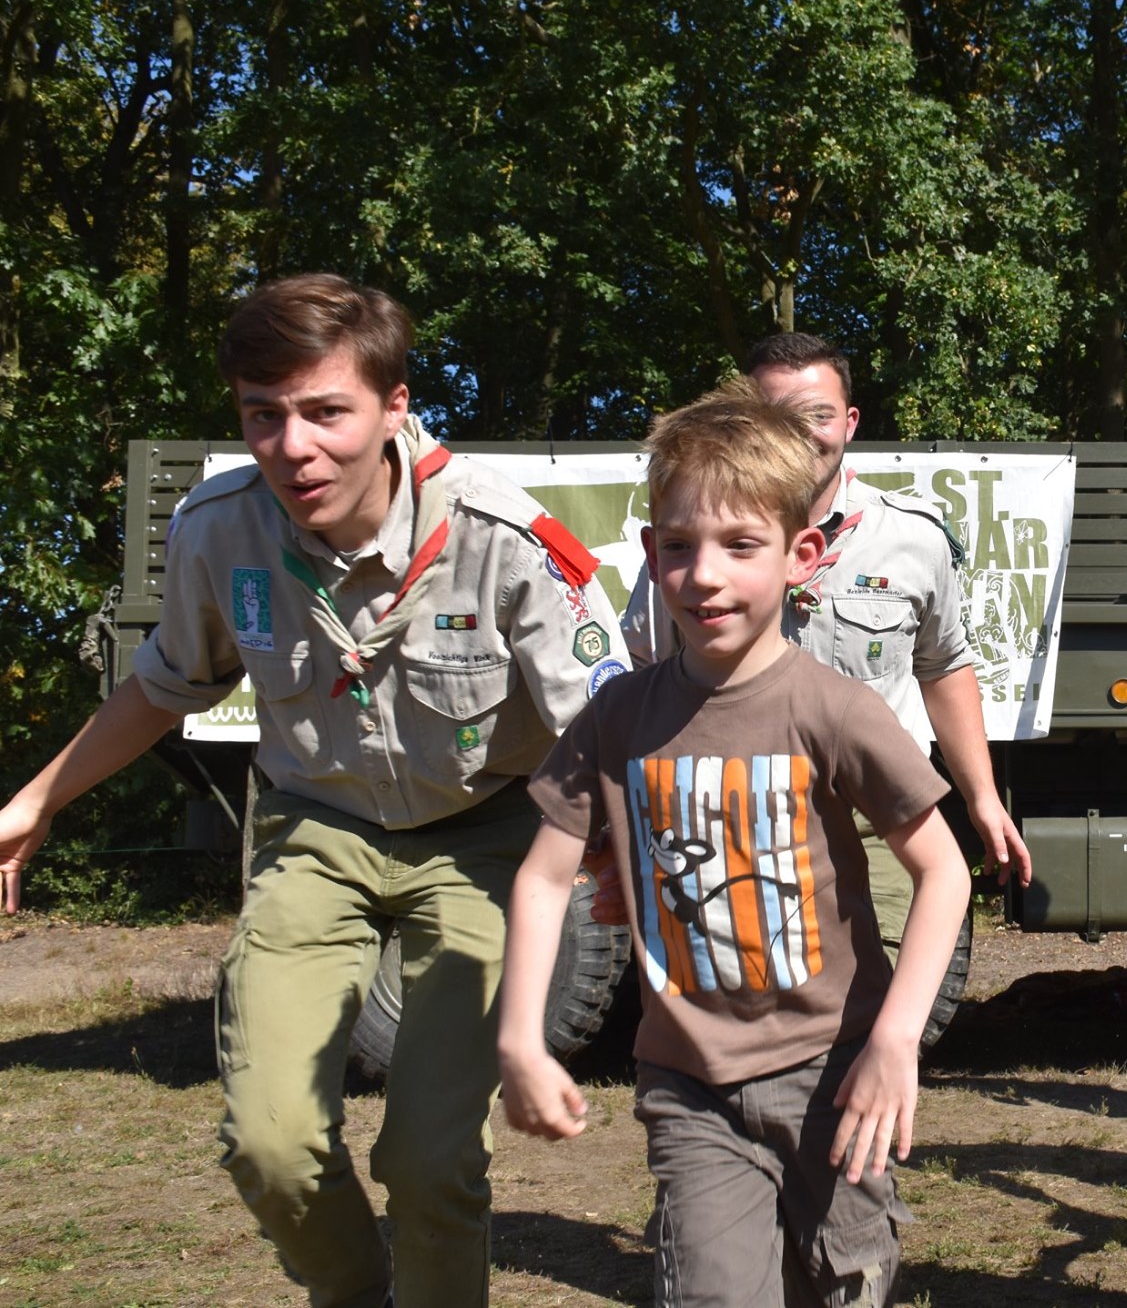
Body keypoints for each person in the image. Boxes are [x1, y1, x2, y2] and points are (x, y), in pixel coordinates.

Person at [0, 274, 627, 1306]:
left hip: (484, 841)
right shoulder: (219, 528)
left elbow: (603, 736)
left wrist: (636, 869)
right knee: (271, 1144)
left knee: (430, 1164)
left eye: (326, 411)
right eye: (263, 414)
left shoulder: (504, 541)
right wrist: (36, 800)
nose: (293, 448)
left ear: (393, 407)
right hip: (315, 833)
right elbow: (166, 685)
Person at [497, 383, 971, 1306]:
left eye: (740, 546)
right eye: (680, 547)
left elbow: (943, 869)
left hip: (838, 1076)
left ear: (800, 556)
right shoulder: (617, 716)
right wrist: (520, 1039)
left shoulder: (833, 709)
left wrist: (896, 1042)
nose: (705, 575)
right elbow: (544, 877)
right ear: (650, 555)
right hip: (690, 1087)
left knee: (845, 1284)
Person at [623, 333, 1027, 957]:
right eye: (777, 417)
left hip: (874, 813)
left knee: (885, 987)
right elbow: (644, 675)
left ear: (850, 422)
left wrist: (983, 798)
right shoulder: (693, 553)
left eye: (819, 415)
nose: (803, 434)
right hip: (730, 811)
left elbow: (943, 665)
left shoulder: (912, 539)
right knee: (736, 994)